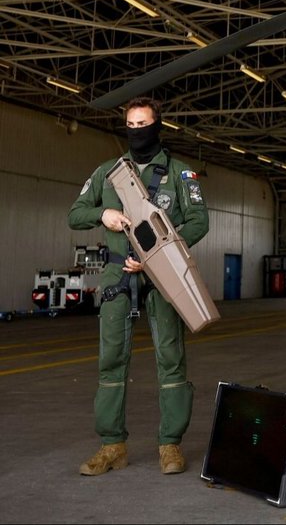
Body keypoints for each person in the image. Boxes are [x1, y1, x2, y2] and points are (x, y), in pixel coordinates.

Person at [68, 96, 209, 477]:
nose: (136, 131)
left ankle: (170, 445)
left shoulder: (180, 174)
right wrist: (104, 213)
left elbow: (199, 222)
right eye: (130, 126)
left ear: (157, 125)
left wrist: (157, 251)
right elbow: (75, 215)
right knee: (111, 361)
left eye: (143, 124)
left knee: (171, 359)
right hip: (117, 278)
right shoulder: (107, 174)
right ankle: (112, 445)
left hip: (162, 277)